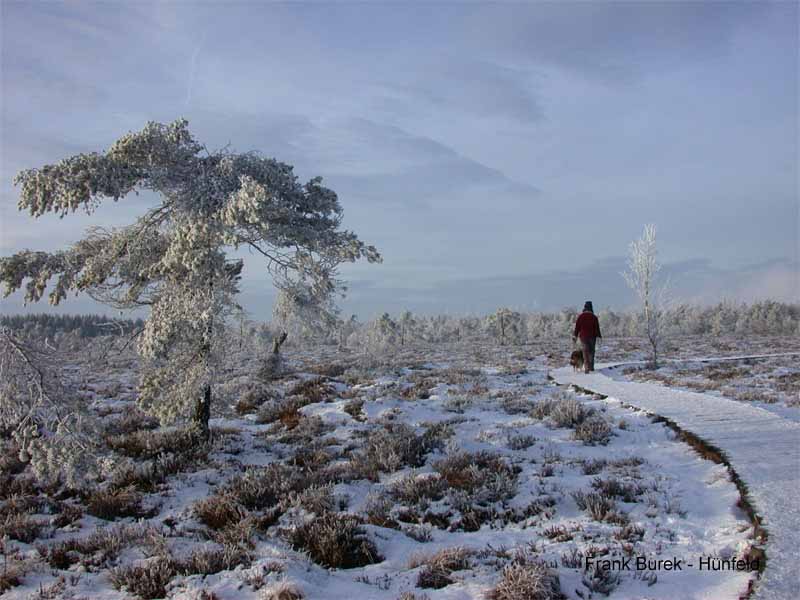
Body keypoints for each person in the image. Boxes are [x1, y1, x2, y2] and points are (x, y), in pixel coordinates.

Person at [573, 301, 602, 373]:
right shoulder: (594, 317)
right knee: (591, 352)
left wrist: (575, 336)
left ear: (584, 307)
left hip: (583, 337)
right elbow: (597, 328)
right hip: (592, 337)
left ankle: (587, 369)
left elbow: (577, 327)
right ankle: (591, 368)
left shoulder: (580, 317)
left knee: (585, 352)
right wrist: (599, 336)